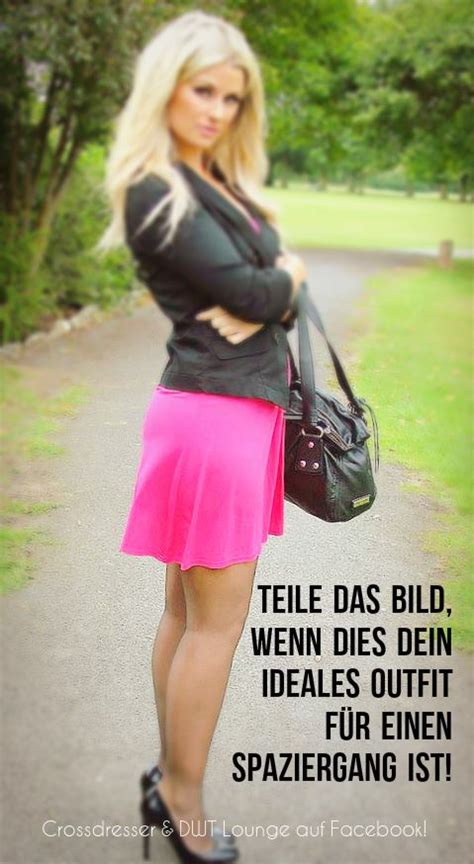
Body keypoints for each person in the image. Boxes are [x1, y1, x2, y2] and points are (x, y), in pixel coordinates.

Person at [97, 10, 306, 863]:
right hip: (215, 417)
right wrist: (279, 282)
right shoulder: (157, 188)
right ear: (167, 88)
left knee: (189, 614)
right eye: (203, 90)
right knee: (213, 626)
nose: (218, 109)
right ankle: (183, 803)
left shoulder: (209, 179)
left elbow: (269, 282)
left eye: (232, 96)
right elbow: (257, 294)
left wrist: (278, 279)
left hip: (227, 413)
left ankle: (168, 777)